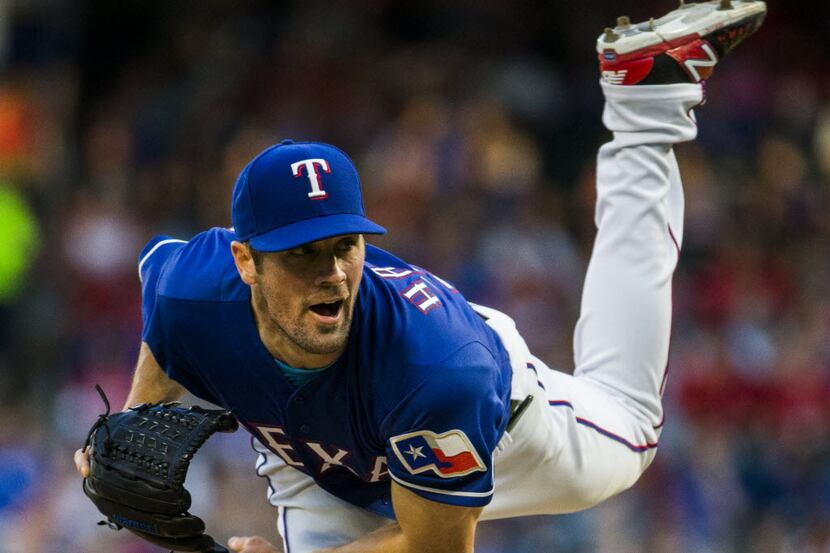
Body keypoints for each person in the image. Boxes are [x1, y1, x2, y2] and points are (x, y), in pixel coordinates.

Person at [75, 2, 766, 552]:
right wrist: (129, 424)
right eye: (300, 253)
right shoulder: (186, 289)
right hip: (323, 469)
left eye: (343, 245)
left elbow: (433, 544)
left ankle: (645, 104)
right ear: (244, 260)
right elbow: (164, 329)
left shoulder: (441, 371)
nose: (331, 274)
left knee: (634, 428)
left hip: (499, 423)